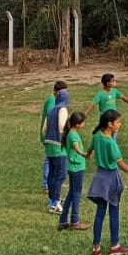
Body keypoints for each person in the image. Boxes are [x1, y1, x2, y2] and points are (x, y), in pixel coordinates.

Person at [86, 109, 128, 255]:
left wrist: (85, 155)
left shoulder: (97, 136)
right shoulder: (111, 143)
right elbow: (121, 165)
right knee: (114, 211)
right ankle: (115, 246)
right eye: (118, 123)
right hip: (111, 179)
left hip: (99, 178)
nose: (120, 125)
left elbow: (89, 151)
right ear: (110, 124)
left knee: (100, 213)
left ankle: (96, 248)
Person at [58, 111, 91, 230]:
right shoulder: (74, 135)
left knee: (71, 193)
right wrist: (84, 154)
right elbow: (76, 147)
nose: (84, 124)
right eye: (83, 122)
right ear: (77, 124)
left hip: (72, 167)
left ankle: (63, 221)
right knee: (77, 194)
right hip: (77, 168)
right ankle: (75, 222)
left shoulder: (71, 133)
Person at [42, 85, 70, 214]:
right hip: (59, 146)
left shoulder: (52, 110)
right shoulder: (62, 109)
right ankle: (56, 203)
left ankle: (53, 199)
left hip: (49, 145)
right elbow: (62, 126)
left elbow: (44, 129)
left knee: (52, 173)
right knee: (60, 174)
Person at [39, 81, 66, 197]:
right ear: (55, 91)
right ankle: (47, 185)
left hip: (51, 135)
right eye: (62, 92)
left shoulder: (57, 102)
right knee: (49, 160)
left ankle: (51, 185)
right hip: (52, 136)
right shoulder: (52, 100)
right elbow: (51, 116)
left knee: (51, 160)